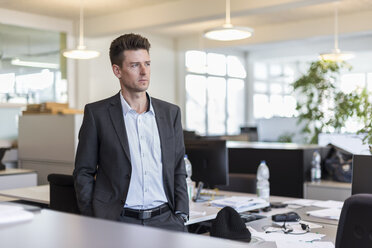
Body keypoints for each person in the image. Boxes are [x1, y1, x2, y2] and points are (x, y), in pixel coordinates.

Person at [73, 33, 189, 232]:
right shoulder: (97, 114)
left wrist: (181, 213)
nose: (144, 71)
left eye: (147, 63)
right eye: (135, 65)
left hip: (167, 221)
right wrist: (93, 217)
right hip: (118, 221)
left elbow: (178, 167)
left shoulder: (171, 113)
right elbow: (84, 171)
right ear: (117, 70)